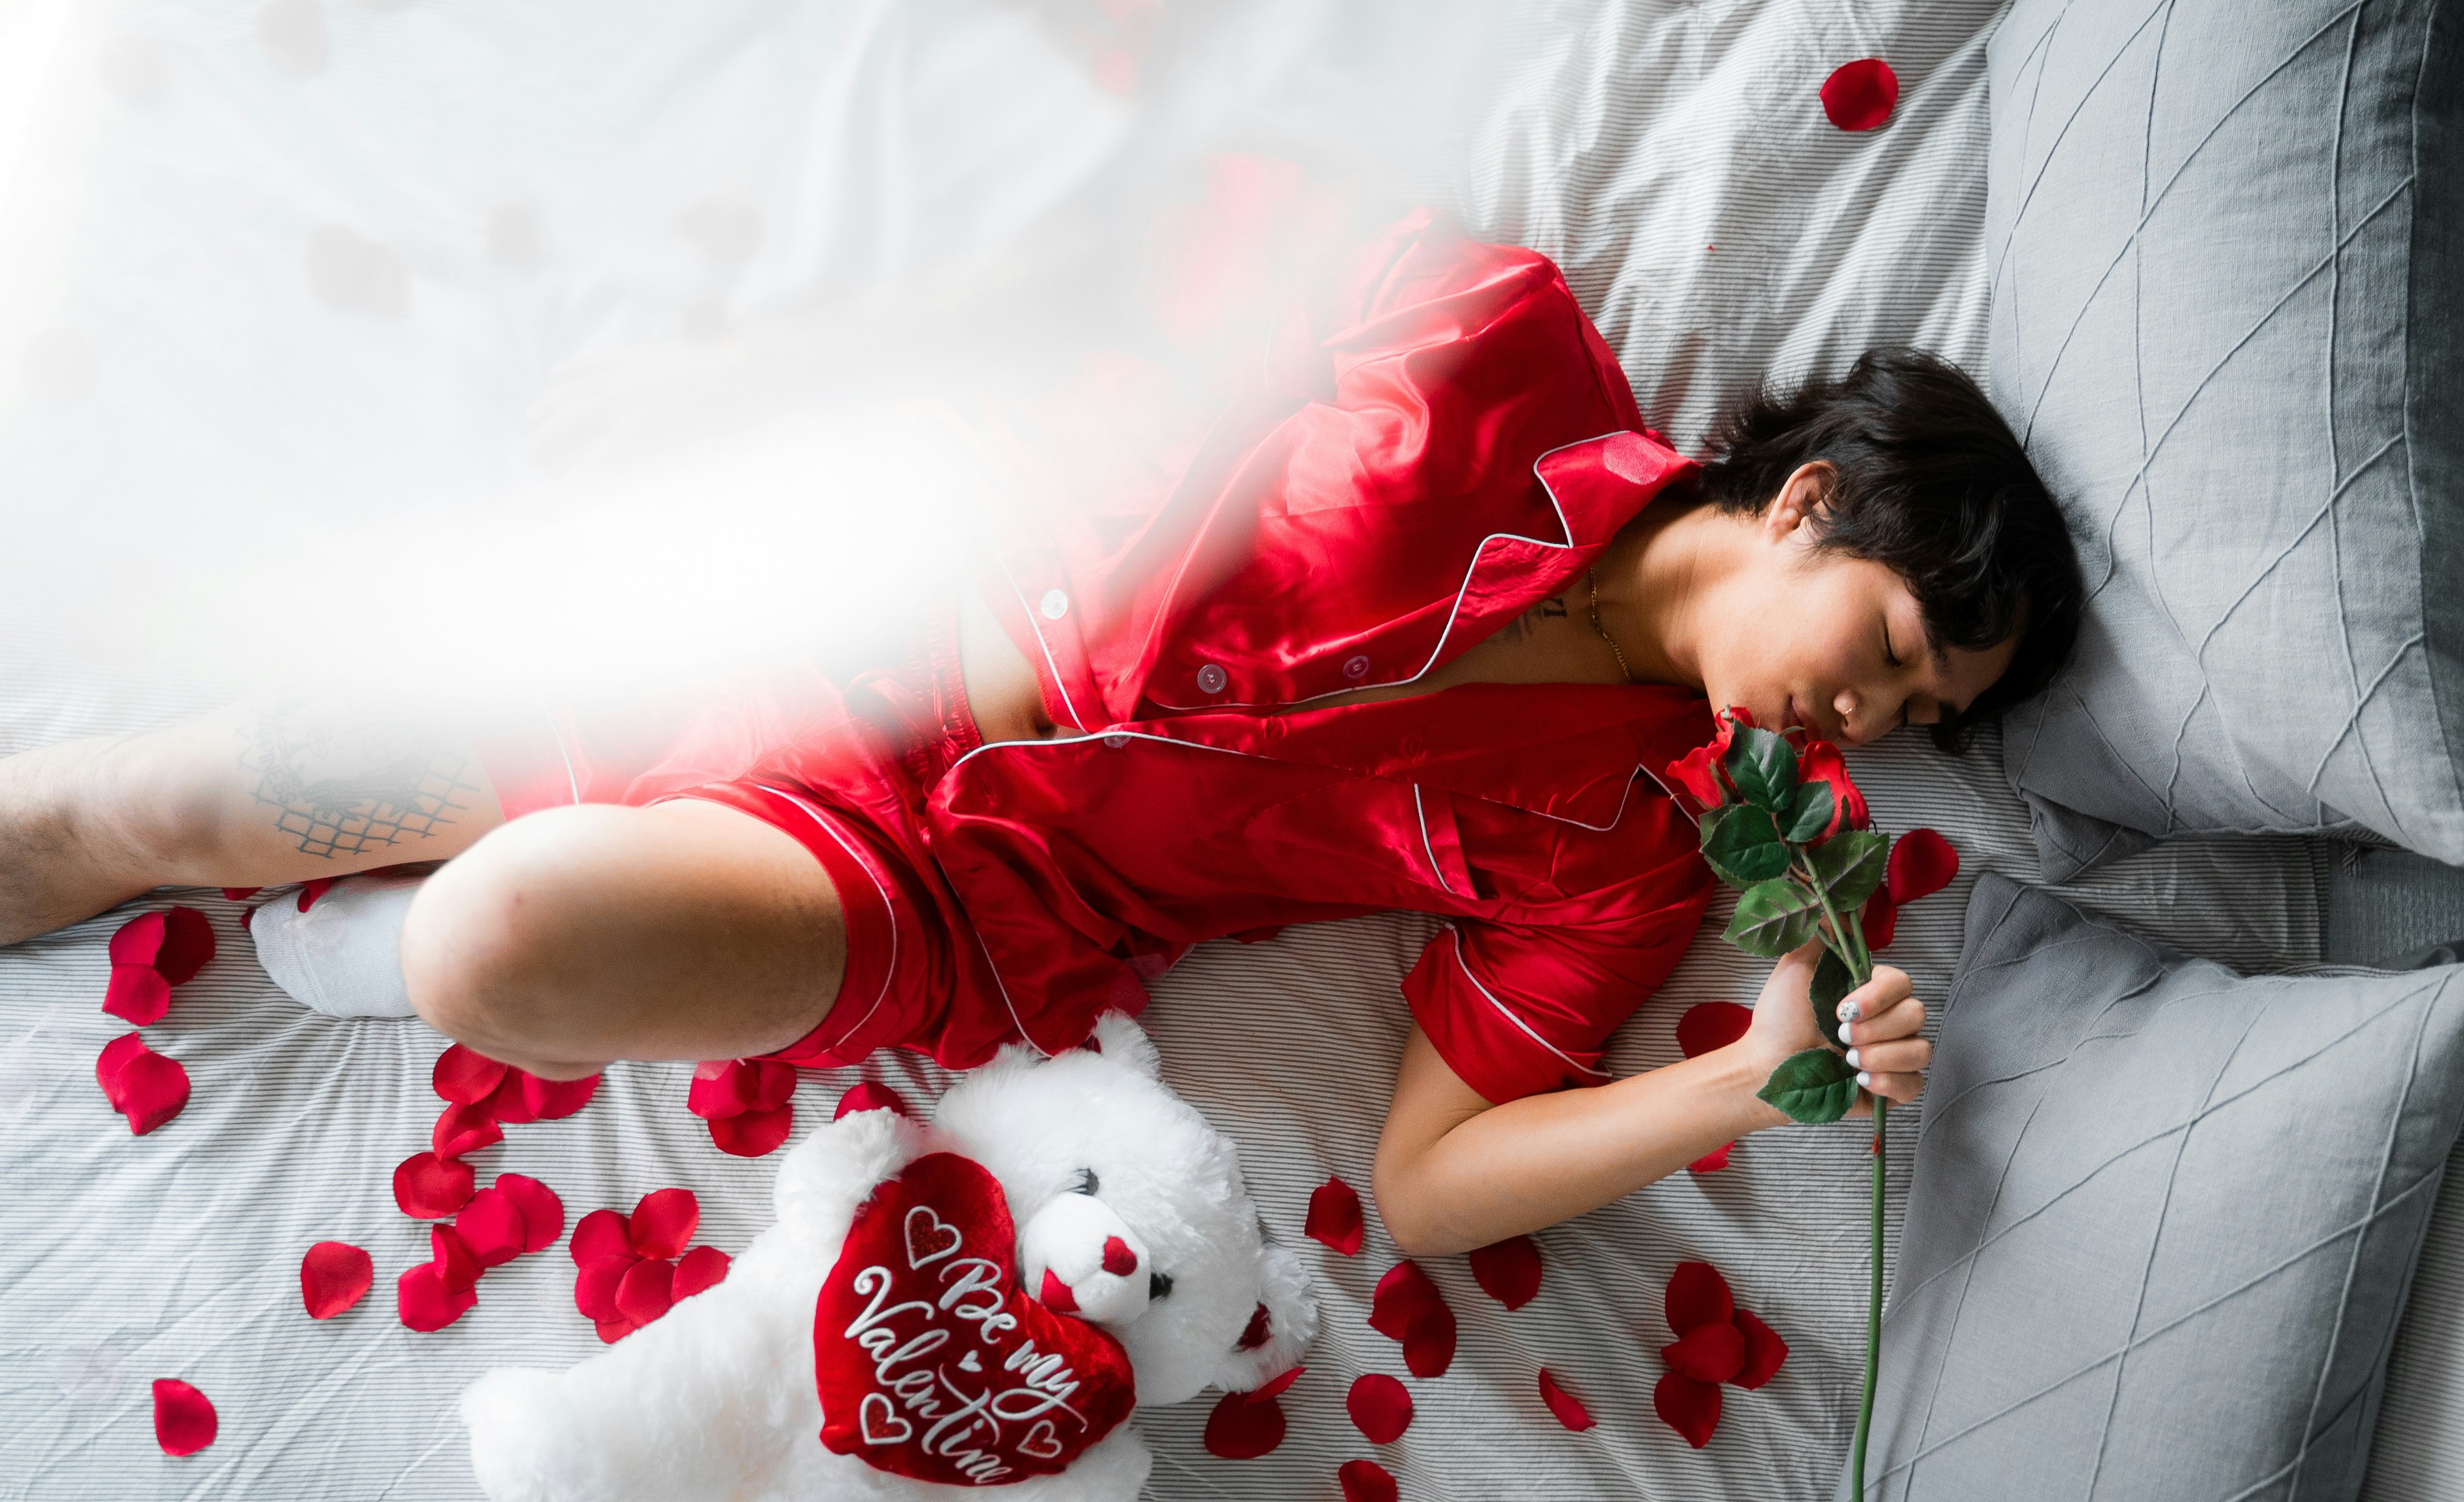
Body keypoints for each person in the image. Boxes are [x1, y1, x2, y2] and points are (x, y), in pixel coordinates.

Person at [0, 211, 2079, 1256]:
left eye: (1918, 716)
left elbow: (1432, 1179)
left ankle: (389, 953)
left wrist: (1749, 1085)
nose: (1868, 719)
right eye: (1896, 644)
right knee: (157, 799)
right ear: (1811, 497)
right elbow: (1099, 285)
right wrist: (760, 371)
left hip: (958, 885)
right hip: (859, 616)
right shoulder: (1494, 337)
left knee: (487, 947)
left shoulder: (1648, 842)